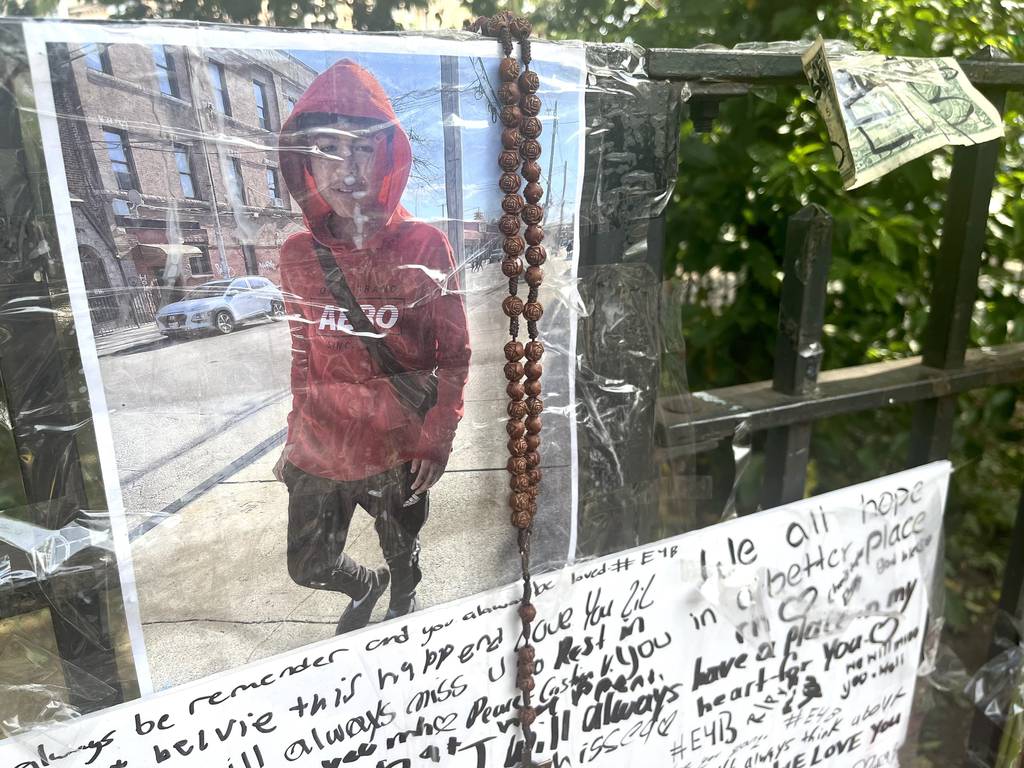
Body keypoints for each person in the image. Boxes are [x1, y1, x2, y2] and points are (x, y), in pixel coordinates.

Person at [275, 59, 470, 635]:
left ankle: (401, 595)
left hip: (397, 448)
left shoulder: (424, 245)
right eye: (327, 149)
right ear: (305, 162)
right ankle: (366, 587)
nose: (346, 168)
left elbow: (454, 355)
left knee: (401, 551)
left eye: (361, 148)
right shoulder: (296, 255)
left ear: (386, 155)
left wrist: (437, 438)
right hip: (322, 446)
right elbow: (302, 357)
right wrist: (294, 436)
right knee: (308, 565)